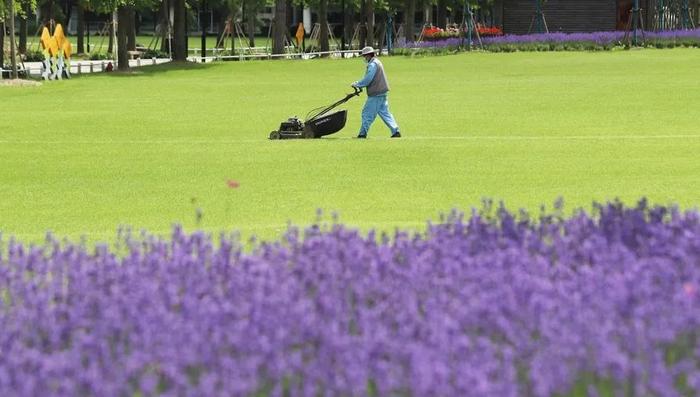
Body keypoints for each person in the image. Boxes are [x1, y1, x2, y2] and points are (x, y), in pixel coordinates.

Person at [351, 46, 401, 138]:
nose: (364, 58)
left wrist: (357, 84)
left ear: (368, 55)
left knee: (366, 113)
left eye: (365, 56)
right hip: (382, 92)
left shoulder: (372, 65)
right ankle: (395, 131)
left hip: (376, 93)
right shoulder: (378, 62)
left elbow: (368, 79)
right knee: (385, 113)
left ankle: (362, 134)